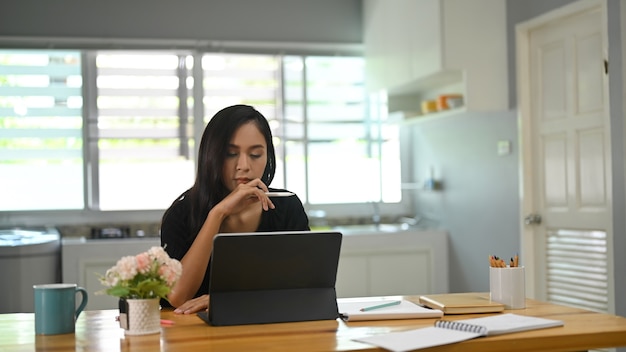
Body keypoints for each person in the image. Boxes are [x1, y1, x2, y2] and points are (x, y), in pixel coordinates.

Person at [160, 104, 310, 314]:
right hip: (197, 335)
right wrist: (217, 214)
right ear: (211, 156)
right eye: (231, 154)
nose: (244, 165)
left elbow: (307, 289)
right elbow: (178, 297)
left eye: (256, 155)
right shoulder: (182, 213)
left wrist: (231, 301)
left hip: (267, 331)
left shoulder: (287, 206)